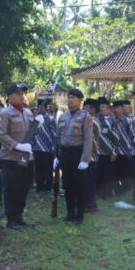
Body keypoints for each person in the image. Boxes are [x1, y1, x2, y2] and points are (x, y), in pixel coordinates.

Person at [0, 83, 39, 229]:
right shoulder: (4, 113)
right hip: (11, 158)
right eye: (18, 93)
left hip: (27, 158)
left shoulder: (27, 113)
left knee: (23, 188)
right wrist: (17, 145)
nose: (22, 96)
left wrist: (38, 125)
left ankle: (19, 216)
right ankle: (11, 219)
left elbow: (32, 133)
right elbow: (1, 135)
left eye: (23, 93)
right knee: (11, 189)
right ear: (10, 96)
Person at [54, 88, 93, 223]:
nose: (70, 99)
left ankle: (79, 215)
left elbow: (88, 139)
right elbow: (58, 138)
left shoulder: (85, 117)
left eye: (73, 97)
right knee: (67, 185)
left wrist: (85, 159)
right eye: (69, 97)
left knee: (79, 186)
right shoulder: (62, 117)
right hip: (65, 154)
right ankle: (70, 213)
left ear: (80, 100)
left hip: (78, 154)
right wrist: (56, 156)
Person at [32, 99, 57, 192]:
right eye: (38, 107)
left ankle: (48, 186)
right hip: (36, 147)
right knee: (38, 168)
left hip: (47, 148)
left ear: (45, 108)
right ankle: (39, 186)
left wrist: (54, 147)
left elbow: (55, 134)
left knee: (48, 168)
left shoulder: (50, 119)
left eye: (41, 107)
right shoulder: (35, 119)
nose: (39, 109)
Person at [96, 97, 118, 198]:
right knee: (98, 172)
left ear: (108, 109)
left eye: (104, 107)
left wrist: (114, 152)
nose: (101, 108)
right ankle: (98, 192)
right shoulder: (95, 119)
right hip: (96, 152)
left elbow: (116, 137)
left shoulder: (111, 120)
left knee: (107, 173)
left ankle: (107, 193)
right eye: (100, 106)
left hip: (108, 152)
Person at [83, 98, 100, 213]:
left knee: (89, 182)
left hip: (91, 157)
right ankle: (88, 204)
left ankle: (91, 205)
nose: (83, 110)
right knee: (87, 181)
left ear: (92, 109)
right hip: (89, 156)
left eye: (85, 108)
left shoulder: (92, 120)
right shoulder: (91, 119)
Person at [112, 100, 132, 194]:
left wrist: (130, 150)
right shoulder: (112, 121)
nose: (116, 110)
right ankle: (118, 189)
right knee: (116, 172)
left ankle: (127, 188)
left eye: (118, 108)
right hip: (116, 152)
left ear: (122, 109)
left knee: (126, 171)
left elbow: (133, 136)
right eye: (114, 108)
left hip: (126, 152)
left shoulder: (128, 121)